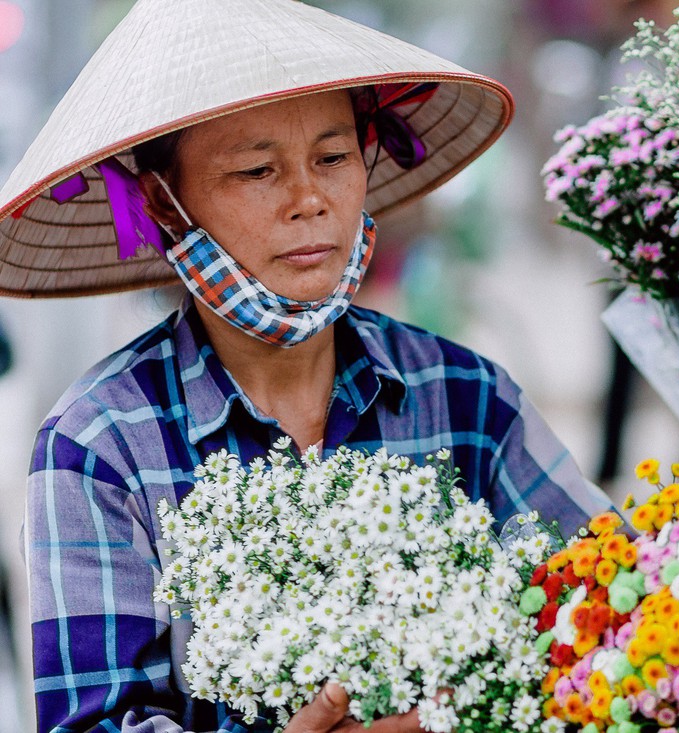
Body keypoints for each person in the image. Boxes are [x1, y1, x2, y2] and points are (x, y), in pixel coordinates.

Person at [0, 0, 612, 731]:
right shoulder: (99, 445)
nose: (309, 199)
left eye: (332, 157)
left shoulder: (466, 399)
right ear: (165, 204)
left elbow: (612, 603)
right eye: (257, 169)